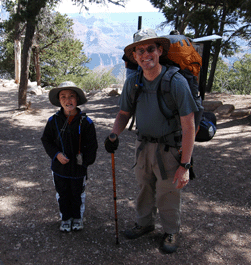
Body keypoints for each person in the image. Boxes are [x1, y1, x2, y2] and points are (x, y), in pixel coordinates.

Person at [104, 28, 198, 253]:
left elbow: (189, 126)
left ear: (160, 51)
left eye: (150, 49)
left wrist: (185, 165)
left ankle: (170, 231)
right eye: (140, 51)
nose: (145, 54)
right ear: (134, 56)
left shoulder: (175, 82)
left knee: (168, 191)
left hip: (170, 149)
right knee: (144, 187)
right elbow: (124, 114)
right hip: (143, 145)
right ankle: (144, 224)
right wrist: (114, 134)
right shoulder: (133, 82)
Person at [41, 81, 98, 232]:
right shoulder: (53, 121)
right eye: (63, 97)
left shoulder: (86, 122)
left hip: (79, 169)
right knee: (62, 193)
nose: (68, 100)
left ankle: (77, 217)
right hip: (59, 168)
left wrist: (85, 163)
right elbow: (46, 140)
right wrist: (56, 154)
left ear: (77, 99)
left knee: (77, 193)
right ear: (59, 101)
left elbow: (92, 145)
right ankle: (65, 218)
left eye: (71, 96)